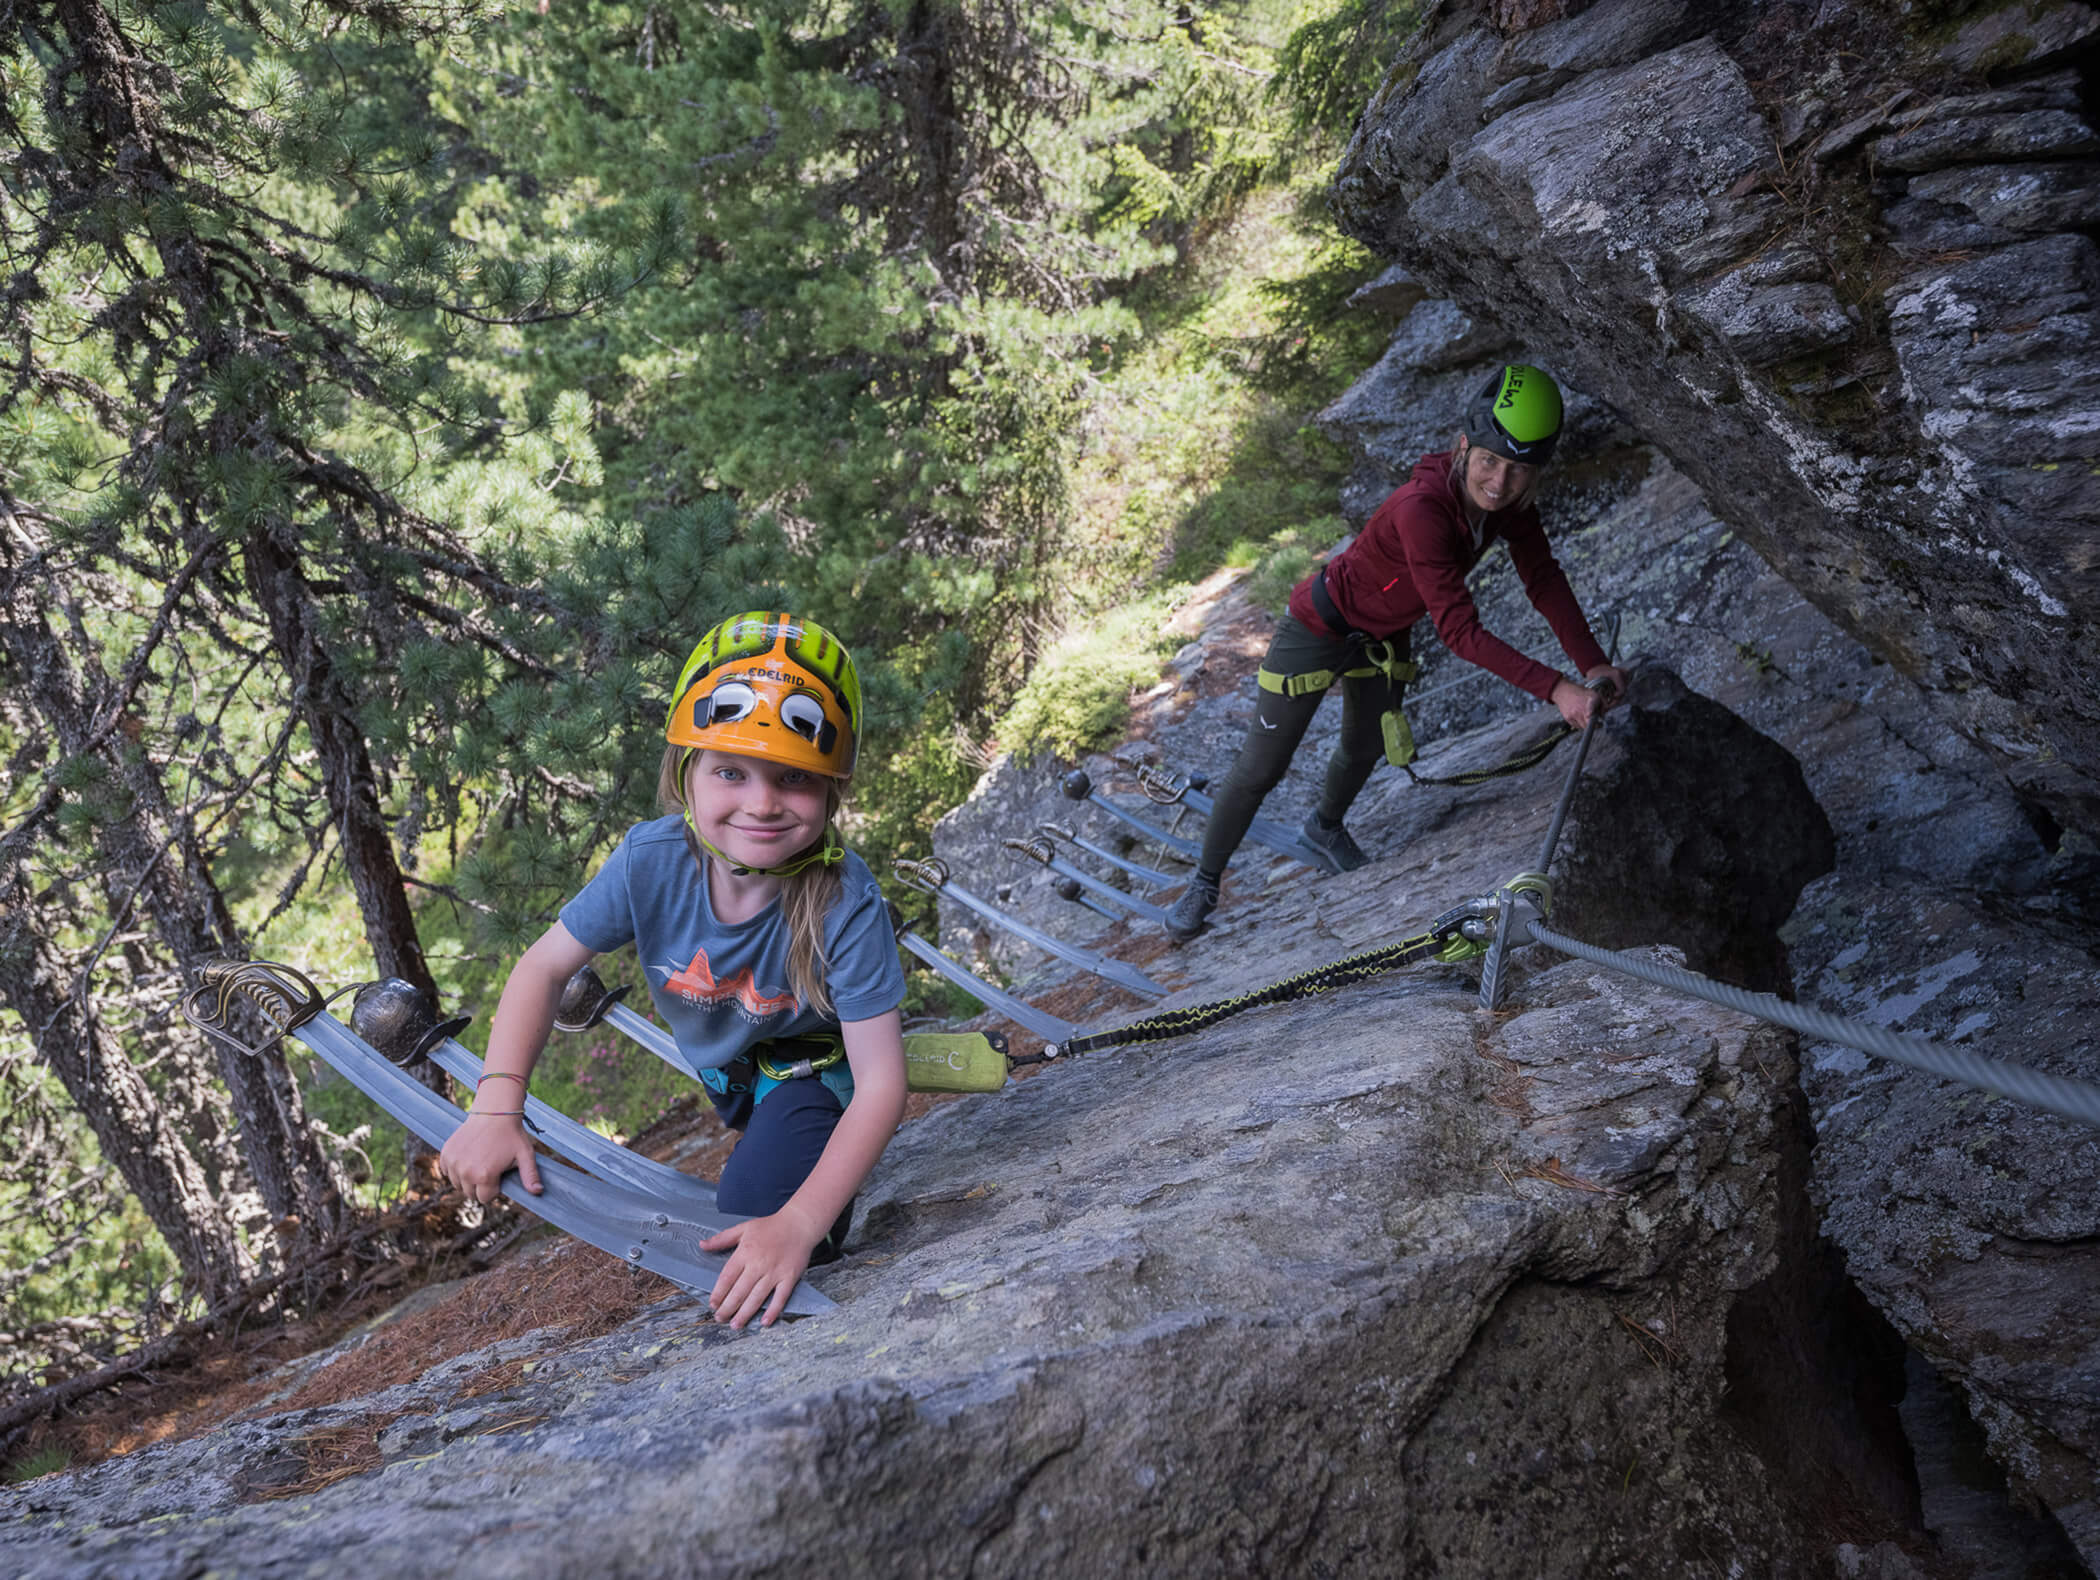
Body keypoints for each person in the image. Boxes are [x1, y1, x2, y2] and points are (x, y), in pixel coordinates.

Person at [439, 612, 908, 1327]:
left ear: (831, 789)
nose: (761, 802)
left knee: (754, 1217)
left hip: (818, 1077)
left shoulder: (845, 901)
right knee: (759, 1168)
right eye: (730, 771)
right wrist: (496, 1107)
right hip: (740, 1082)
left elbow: (881, 1083)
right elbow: (540, 970)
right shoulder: (650, 862)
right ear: (685, 772)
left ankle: (794, 1175)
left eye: (793, 778)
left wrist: (799, 1223)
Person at [1164, 364, 1628, 941]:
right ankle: (1204, 882)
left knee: (1364, 747)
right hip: (1319, 624)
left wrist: (1590, 663)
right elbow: (1459, 631)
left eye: (1519, 470)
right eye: (1489, 461)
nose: (1500, 482)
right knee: (1262, 766)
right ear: (1464, 446)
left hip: (1384, 634)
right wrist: (1557, 689)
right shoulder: (1422, 510)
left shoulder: (1510, 505)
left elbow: (1543, 578)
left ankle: (1324, 828)